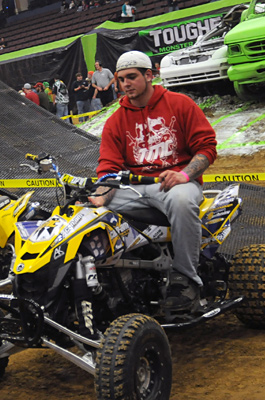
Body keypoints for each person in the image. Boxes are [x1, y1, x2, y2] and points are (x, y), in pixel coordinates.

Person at [90, 50, 217, 311]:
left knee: (182, 202)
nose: (125, 84)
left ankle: (186, 279)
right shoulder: (115, 121)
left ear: (149, 75)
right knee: (89, 212)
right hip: (134, 188)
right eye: (121, 79)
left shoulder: (180, 104)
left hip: (177, 183)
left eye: (131, 77)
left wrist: (184, 175)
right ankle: (108, 279)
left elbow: (206, 148)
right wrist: (101, 195)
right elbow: (109, 167)